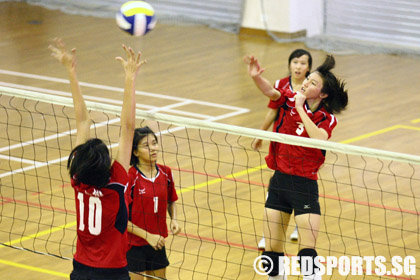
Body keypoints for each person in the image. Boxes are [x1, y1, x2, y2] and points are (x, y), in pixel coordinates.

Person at [49, 38, 145, 280]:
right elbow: (128, 127)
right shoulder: (116, 185)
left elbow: (82, 121)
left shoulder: (78, 179)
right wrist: (129, 78)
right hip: (112, 272)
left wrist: (71, 71)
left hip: (81, 269)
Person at [246, 54, 348, 280]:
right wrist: (255, 78)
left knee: (306, 253)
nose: (305, 82)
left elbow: (319, 139)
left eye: (312, 82)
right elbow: (270, 93)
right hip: (279, 182)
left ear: (322, 94)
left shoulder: (326, 117)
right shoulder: (289, 98)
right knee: (271, 251)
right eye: (307, 79)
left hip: (304, 186)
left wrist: (302, 109)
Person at [245, 49, 313, 249]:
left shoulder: (312, 88)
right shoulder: (280, 85)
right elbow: (272, 110)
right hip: (282, 144)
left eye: (303, 63)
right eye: (295, 62)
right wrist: (261, 134)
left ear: (309, 67)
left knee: (302, 186)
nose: (298, 66)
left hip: (304, 147)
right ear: (290, 64)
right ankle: (269, 234)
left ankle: (299, 226)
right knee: (276, 184)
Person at [126, 126, 181, 280]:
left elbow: (171, 200)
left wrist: (174, 219)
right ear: (135, 152)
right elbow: (121, 218)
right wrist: (148, 236)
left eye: (154, 143)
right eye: (146, 146)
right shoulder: (130, 178)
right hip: (133, 245)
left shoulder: (166, 172)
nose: (153, 148)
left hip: (158, 242)